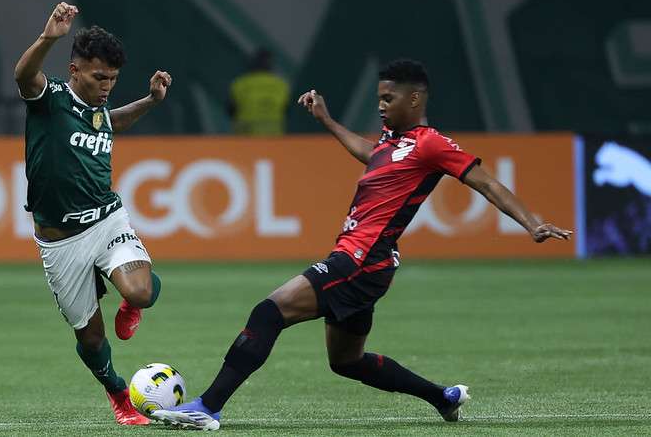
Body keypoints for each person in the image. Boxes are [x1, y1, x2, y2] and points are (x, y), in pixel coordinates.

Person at [153, 59, 572, 430]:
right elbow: (371, 154)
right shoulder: (392, 142)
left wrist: (532, 223)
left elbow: (487, 182)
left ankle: (207, 407)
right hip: (369, 263)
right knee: (347, 361)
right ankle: (444, 397)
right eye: (379, 97)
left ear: (415, 97)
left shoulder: (432, 143)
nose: (381, 105)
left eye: (388, 97)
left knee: (268, 312)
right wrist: (328, 121)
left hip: (359, 259)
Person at [14, 2, 172, 426]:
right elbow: (23, 77)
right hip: (60, 241)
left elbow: (109, 122)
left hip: (106, 220)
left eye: (113, 80)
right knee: (90, 338)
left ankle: (128, 301)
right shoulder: (51, 101)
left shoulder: (97, 109)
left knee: (142, 292)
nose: (106, 86)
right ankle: (120, 394)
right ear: (75, 70)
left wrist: (150, 101)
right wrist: (49, 36)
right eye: (100, 77)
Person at [228, 48, 290, 135]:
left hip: (246, 131)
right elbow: (286, 108)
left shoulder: (240, 83)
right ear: (270, 65)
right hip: (273, 131)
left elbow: (231, 109)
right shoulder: (281, 84)